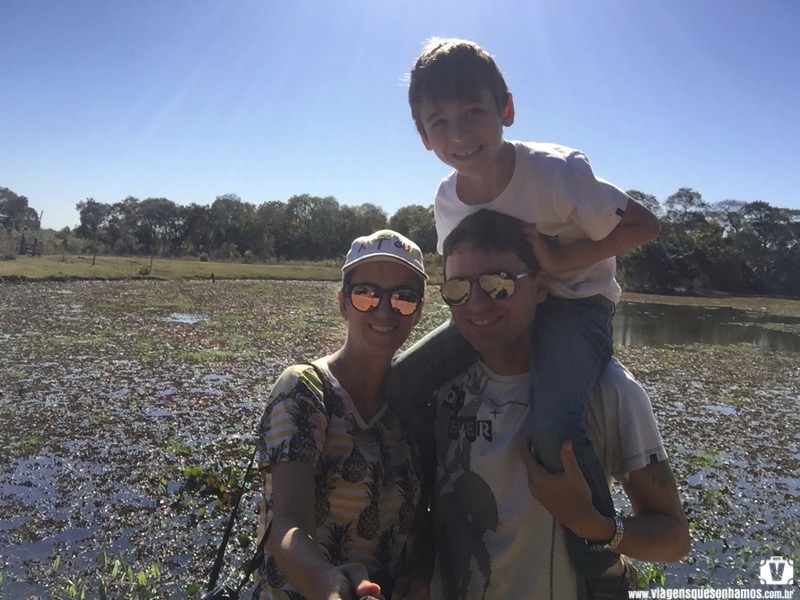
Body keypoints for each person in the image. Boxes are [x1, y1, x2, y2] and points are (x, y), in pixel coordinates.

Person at [390, 37, 663, 579]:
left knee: (553, 428)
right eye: (439, 122)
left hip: (575, 306)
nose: (460, 134)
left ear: (507, 110)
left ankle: (601, 565)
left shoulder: (559, 173)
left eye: (474, 112)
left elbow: (645, 225)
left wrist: (562, 259)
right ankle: (420, 511)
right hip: (500, 301)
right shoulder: (447, 200)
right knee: (401, 384)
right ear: (423, 136)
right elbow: (464, 274)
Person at [429, 209, 689, 599]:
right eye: (457, 289)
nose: (476, 304)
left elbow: (674, 540)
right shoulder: (433, 388)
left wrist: (596, 526)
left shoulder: (608, 391)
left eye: (498, 284)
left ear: (540, 285)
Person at [253, 230, 432, 600]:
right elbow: (286, 523)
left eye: (403, 297)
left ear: (419, 310)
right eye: (366, 294)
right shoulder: (305, 389)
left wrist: (418, 574)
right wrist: (325, 581)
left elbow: (418, 524)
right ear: (343, 303)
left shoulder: (413, 406)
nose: (383, 309)